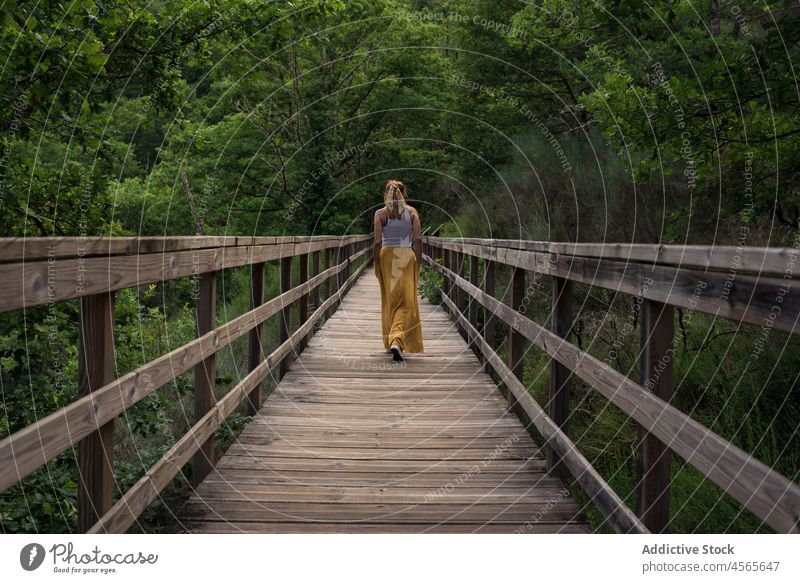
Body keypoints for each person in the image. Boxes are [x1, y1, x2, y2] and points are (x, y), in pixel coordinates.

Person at [373, 180, 424, 361]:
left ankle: (394, 339)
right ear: (404, 193)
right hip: (406, 256)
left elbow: (377, 242)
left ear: (385, 194)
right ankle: (397, 340)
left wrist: (376, 261)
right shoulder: (411, 213)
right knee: (407, 301)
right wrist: (417, 260)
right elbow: (418, 238)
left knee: (391, 300)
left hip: (387, 257)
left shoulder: (380, 214)